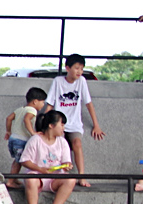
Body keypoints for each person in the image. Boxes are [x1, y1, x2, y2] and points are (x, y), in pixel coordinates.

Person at [44, 54, 106, 185]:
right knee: (59, 147)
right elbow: (50, 103)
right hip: (58, 123)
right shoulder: (58, 81)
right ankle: (60, 176)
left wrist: (96, 125)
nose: (79, 71)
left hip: (75, 123)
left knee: (77, 143)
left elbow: (88, 103)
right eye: (77, 68)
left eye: (82, 68)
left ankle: (81, 176)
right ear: (67, 68)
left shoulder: (81, 81)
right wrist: (43, 125)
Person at [19, 110, 77, 204]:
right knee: (31, 179)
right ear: (51, 125)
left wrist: (66, 166)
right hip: (38, 177)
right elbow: (25, 160)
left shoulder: (62, 142)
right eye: (61, 125)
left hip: (55, 178)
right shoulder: (35, 140)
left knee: (71, 180)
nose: (63, 128)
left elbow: (66, 162)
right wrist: (40, 169)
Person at [5, 87, 48, 174]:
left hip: (13, 138)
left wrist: (8, 131)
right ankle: (11, 181)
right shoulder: (32, 110)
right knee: (21, 161)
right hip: (21, 140)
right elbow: (27, 119)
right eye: (42, 102)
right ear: (35, 101)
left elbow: (8, 118)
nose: (43, 104)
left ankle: (14, 178)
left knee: (17, 160)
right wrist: (33, 132)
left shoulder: (20, 109)